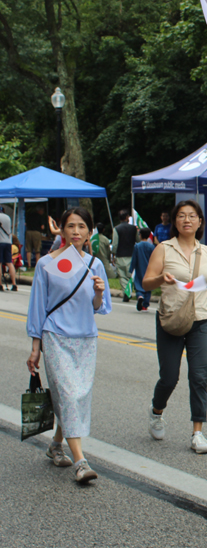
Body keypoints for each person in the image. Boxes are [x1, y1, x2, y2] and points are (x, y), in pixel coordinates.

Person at [26, 207, 112, 484]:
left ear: (89, 233)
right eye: (70, 226)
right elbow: (38, 307)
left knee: (74, 396)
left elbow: (99, 307)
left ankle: (56, 444)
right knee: (69, 394)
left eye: (82, 227)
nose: (76, 231)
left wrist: (99, 292)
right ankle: (81, 462)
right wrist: (35, 346)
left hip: (86, 337)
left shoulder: (94, 264)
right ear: (61, 230)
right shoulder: (46, 264)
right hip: (56, 336)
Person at [143, 199, 207, 454]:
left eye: (192, 216)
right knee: (169, 377)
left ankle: (198, 433)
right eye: (181, 216)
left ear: (200, 222)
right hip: (171, 318)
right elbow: (146, 283)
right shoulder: (164, 249)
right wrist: (160, 278)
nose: (187, 220)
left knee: (198, 377)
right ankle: (157, 411)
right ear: (175, 222)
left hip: (201, 320)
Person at [112, 209, 138, 302]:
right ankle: (131, 290)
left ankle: (127, 293)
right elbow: (138, 240)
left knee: (122, 276)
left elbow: (115, 244)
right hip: (131, 254)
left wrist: (113, 254)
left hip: (120, 255)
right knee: (130, 275)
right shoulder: (134, 228)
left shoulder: (116, 229)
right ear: (127, 217)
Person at [130, 227, 155, 311]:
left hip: (139, 268)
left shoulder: (137, 246)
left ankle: (140, 296)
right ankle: (145, 304)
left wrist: (131, 270)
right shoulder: (152, 247)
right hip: (149, 269)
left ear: (140, 235)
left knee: (138, 284)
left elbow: (134, 259)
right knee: (148, 286)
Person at [0, 206, 18, 291]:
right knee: (9, 263)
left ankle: (0, 285)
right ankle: (14, 284)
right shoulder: (8, 217)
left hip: (0, 242)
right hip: (8, 242)